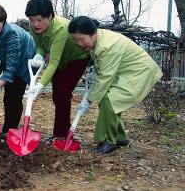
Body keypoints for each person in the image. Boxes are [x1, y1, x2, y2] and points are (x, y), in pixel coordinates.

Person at [68, 16, 163, 154]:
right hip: (126, 72)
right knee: (105, 99)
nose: (79, 44)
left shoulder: (107, 45)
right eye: (75, 40)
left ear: (93, 33)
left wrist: (88, 100)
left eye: (81, 39)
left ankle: (108, 141)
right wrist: (94, 73)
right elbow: (103, 68)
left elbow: (105, 78)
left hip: (139, 72)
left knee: (109, 100)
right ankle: (120, 138)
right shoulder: (98, 41)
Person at [25, 0, 89, 142]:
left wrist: (40, 85)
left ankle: (61, 135)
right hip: (59, 59)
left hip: (76, 58)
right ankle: (61, 132)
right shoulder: (33, 27)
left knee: (63, 93)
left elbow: (53, 62)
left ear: (50, 16)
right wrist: (39, 55)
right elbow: (41, 45)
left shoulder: (60, 28)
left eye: (40, 20)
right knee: (57, 96)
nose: (35, 24)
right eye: (32, 19)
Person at [0, 2, 36, 135]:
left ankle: (10, 130)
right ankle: (8, 128)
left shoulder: (12, 35)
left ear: (3, 21)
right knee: (8, 95)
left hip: (23, 59)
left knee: (14, 95)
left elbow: (12, 68)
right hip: (7, 56)